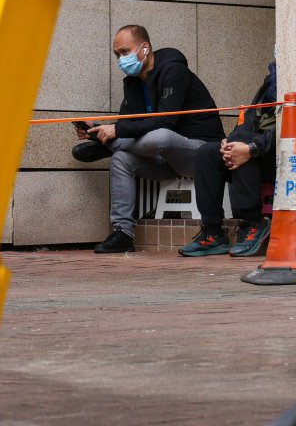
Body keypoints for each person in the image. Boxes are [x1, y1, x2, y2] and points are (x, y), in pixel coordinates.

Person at [73, 25, 223, 255]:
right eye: (117, 55)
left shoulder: (174, 71)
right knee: (121, 158)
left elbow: (165, 124)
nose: (121, 59)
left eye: (125, 52)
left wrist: (115, 134)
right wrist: (98, 129)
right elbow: (128, 125)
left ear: (144, 48)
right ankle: (123, 232)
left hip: (201, 153)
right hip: (166, 161)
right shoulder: (132, 83)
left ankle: (110, 146)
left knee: (159, 136)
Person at [182, 62, 276, 258]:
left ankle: (253, 223)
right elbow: (250, 119)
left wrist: (252, 147)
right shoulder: (270, 85)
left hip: (277, 155)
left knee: (240, 148)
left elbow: (290, 130)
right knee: (206, 153)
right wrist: (231, 140)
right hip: (256, 147)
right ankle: (213, 231)